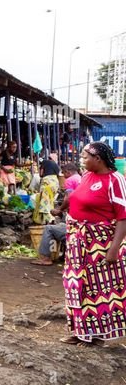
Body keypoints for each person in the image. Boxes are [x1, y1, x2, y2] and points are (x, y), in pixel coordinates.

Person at [61, 142, 126, 346]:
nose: (82, 159)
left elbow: (123, 217)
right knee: (75, 284)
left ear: (98, 159)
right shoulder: (87, 175)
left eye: (85, 156)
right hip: (78, 242)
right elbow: (76, 198)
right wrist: (62, 210)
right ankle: (80, 331)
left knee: (98, 290)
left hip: (100, 243)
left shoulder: (115, 180)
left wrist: (114, 249)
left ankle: (97, 336)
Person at [31, 164, 81, 266]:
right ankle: (64, 256)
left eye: (64, 173)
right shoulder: (81, 179)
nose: (63, 175)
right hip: (80, 220)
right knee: (62, 223)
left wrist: (60, 210)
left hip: (77, 224)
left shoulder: (70, 180)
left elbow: (68, 198)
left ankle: (45, 258)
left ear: (68, 172)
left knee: (49, 228)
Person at [32, 156, 60, 224]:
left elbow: (41, 174)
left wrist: (40, 174)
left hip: (47, 182)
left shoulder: (44, 162)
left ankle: (48, 220)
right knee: (49, 201)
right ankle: (50, 218)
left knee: (44, 202)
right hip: (55, 183)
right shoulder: (55, 165)